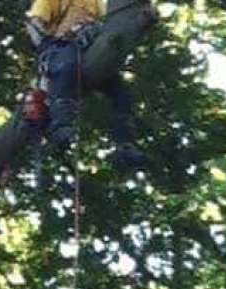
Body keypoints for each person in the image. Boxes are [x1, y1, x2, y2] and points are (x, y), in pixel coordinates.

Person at [25, 0, 147, 168]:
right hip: (62, 46)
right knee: (66, 68)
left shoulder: (95, 2)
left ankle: (124, 144)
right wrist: (48, 45)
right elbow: (35, 23)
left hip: (89, 49)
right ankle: (61, 124)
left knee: (121, 92)